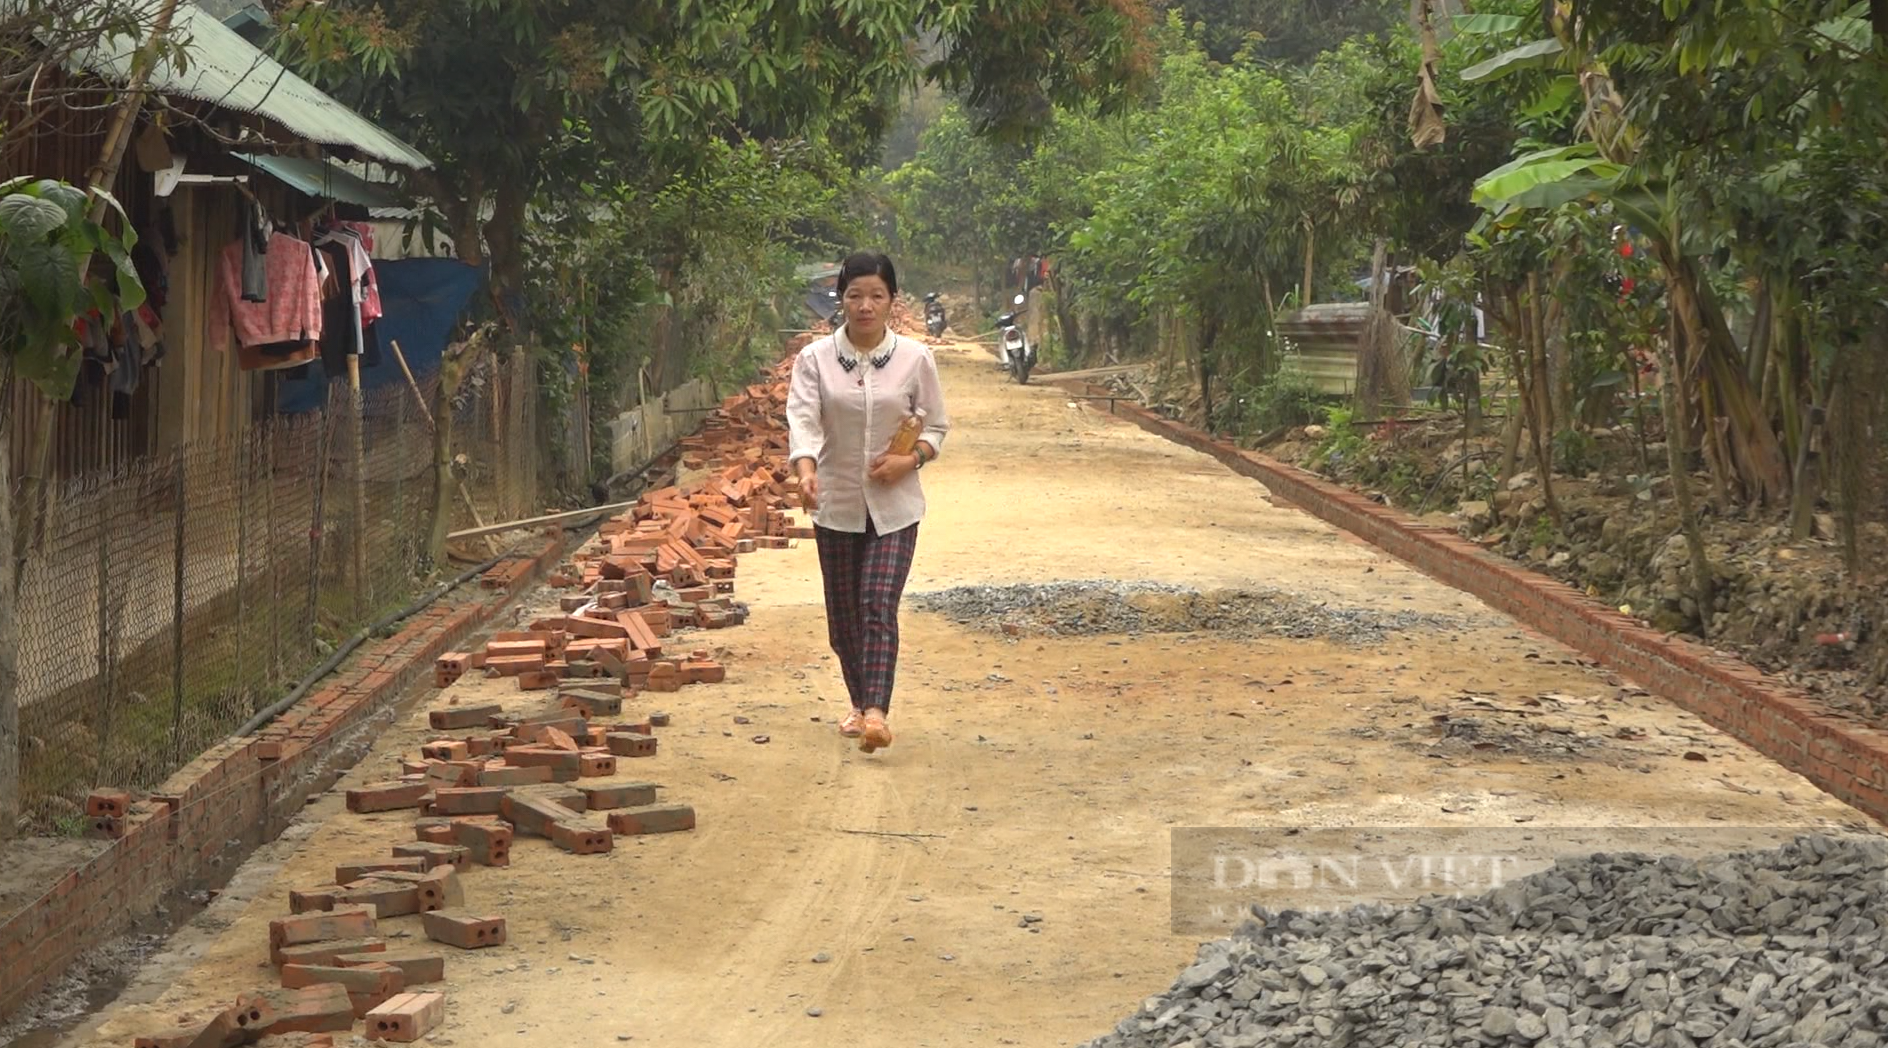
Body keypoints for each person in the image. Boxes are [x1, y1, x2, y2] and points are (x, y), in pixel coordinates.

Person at [785, 251, 950, 752]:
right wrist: (806, 470)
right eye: (855, 295)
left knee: (877, 602)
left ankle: (877, 711)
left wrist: (912, 459)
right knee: (844, 617)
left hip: (895, 507)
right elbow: (804, 422)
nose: (865, 306)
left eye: (876, 295)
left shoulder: (915, 359)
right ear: (842, 299)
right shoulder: (814, 360)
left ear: (891, 301)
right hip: (836, 505)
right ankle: (859, 703)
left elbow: (936, 424)